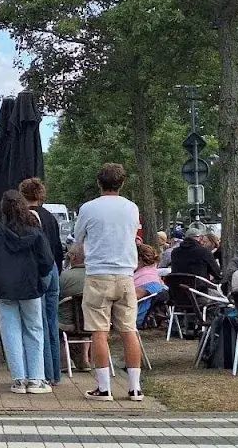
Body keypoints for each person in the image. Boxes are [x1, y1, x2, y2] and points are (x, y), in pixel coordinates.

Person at [73, 163, 144, 402]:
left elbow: (78, 240)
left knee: (99, 332)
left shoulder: (89, 208)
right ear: (122, 183)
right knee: (129, 330)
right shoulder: (132, 208)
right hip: (125, 274)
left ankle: (104, 388)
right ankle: (135, 388)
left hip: (98, 274)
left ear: (98, 183)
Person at [0, 190, 55, 395]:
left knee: (10, 330)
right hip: (30, 286)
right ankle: (36, 378)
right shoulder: (35, 232)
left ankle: (19, 379)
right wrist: (39, 275)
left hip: (3, 287)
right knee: (34, 330)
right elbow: (47, 261)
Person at [19, 177, 63, 385]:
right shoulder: (51, 218)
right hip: (53, 269)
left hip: (38, 271)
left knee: (38, 324)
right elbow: (58, 248)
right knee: (52, 321)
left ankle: (42, 371)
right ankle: (55, 372)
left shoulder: (26, 218)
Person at [59, 243, 90, 371]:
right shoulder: (97, 277)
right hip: (92, 322)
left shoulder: (64, 277)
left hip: (66, 323)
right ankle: (84, 360)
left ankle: (63, 362)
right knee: (85, 319)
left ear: (73, 257)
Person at [134, 243, 166, 328]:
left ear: (139, 259)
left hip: (136, 317)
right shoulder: (152, 274)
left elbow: (130, 298)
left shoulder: (146, 279)